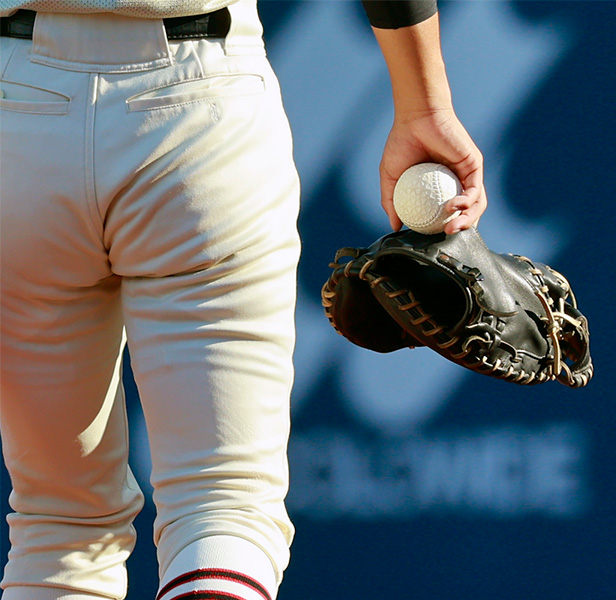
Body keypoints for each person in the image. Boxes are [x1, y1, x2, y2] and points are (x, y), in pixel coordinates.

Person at [0, 1, 486, 598]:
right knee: (222, 506)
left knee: (58, 528)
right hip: (199, 92)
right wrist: (425, 106)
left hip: (16, 102)